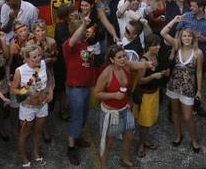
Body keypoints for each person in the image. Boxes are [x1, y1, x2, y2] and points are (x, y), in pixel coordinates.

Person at [94, 45, 152, 168]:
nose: (123, 59)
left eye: (124, 56)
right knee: (108, 143)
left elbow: (136, 65)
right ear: (112, 60)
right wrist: (114, 95)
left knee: (129, 135)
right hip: (111, 114)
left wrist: (147, 64)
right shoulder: (106, 73)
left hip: (124, 109)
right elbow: (97, 93)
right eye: (119, 57)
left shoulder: (125, 65)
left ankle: (124, 158)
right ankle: (104, 166)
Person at [161, 18, 203, 153]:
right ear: (181, 37)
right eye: (184, 35)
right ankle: (178, 135)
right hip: (173, 85)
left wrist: (200, 90)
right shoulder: (177, 46)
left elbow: (199, 72)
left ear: (193, 37)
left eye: (189, 36)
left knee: (188, 116)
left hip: (188, 88)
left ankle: (194, 139)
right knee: (175, 112)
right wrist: (174, 20)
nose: (186, 38)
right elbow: (163, 32)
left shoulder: (198, 53)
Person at [10, 44, 53, 167]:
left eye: (39, 55)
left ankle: (35, 153)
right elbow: (13, 90)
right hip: (27, 108)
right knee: (24, 134)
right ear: (27, 58)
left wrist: (51, 91)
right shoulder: (20, 71)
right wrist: (27, 91)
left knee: (38, 132)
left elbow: (49, 78)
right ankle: (23, 157)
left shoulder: (43, 64)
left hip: (43, 105)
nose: (38, 58)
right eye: (34, 57)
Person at [62, 16, 94, 166]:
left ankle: (77, 137)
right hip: (75, 89)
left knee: (83, 115)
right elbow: (73, 40)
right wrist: (84, 24)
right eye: (81, 29)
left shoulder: (84, 43)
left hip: (85, 86)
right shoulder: (69, 45)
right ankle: (71, 148)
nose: (84, 31)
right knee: (76, 117)